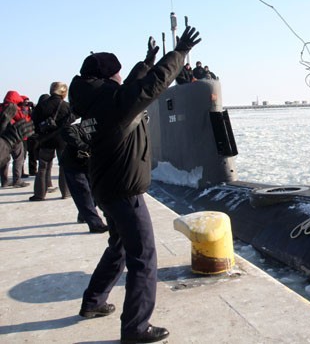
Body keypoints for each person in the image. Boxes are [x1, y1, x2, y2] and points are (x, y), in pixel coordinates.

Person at [69, 26, 200, 343]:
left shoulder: (95, 102)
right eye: (117, 73)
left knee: (118, 246)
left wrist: (146, 60)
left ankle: (93, 302)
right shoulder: (114, 102)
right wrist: (179, 53)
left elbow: (132, 86)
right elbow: (149, 87)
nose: (120, 78)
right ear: (110, 76)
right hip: (125, 190)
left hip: (106, 187)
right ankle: (135, 328)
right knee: (144, 257)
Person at [59, 123, 108, 233]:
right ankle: (95, 224)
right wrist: (82, 145)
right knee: (83, 192)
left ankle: (83, 215)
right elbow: (66, 130)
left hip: (90, 165)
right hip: (72, 164)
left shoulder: (107, 132)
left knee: (94, 192)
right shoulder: (89, 125)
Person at [30, 83, 74, 201]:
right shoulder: (66, 106)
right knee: (64, 166)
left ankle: (39, 194)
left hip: (45, 139)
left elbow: (34, 120)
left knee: (43, 167)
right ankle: (66, 192)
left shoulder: (41, 106)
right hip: (62, 140)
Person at [0, 90, 31, 188]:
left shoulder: (1, 107)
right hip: (14, 137)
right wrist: (24, 108)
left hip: (2, 138)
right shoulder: (14, 108)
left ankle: (4, 181)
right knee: (18, 158)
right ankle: (17, 180)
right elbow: (23, 119)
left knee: (4, 159)